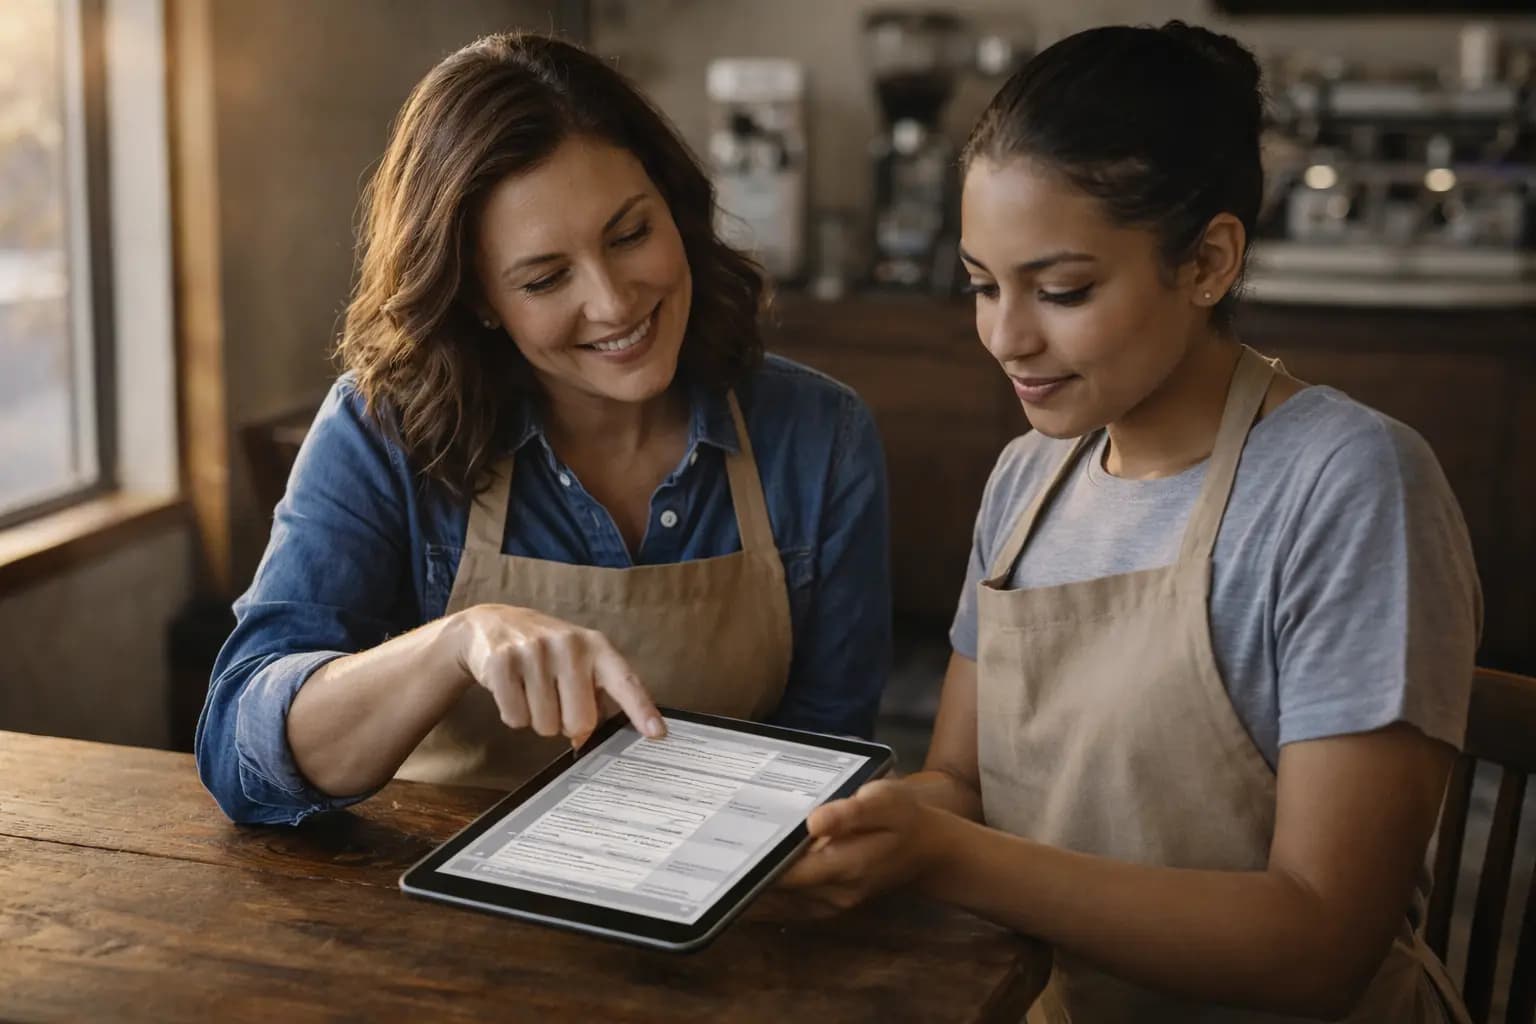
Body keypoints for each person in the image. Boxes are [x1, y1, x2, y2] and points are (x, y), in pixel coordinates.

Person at [780, 22, 1478, 1024]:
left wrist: (951, 856)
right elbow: (964, 787)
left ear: (1207, 262)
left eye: (1062, 290)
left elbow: (1320, 941)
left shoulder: (1350, 486)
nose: (1005, 337)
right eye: (981, 285)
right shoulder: (1027, 482)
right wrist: (867, 824)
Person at [195, 32, 890, 827]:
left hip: (714, 922)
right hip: (425, 919)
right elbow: (240, 758)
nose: (614, 302)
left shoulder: (820, 439)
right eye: (545, 278)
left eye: (630, 234)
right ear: (481, 298)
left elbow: (827, 766)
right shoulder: (383, 429)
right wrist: (455, 644)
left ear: (675, 206)